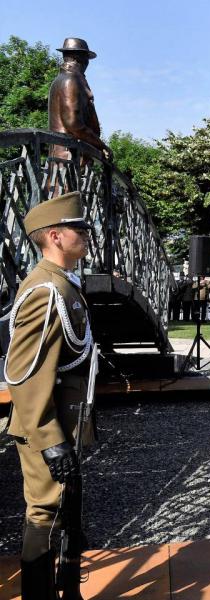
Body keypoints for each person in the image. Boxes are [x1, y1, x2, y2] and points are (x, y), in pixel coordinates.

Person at [5, 193, 96, 600]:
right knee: (44, 511)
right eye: (80, 229)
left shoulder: (62, 284)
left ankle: (68, 590)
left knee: (67, 510)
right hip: (48, 426)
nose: (87, 235)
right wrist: (50, 440)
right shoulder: (46, 290)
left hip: (65, 419)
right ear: (56, 237)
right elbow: (23, 376)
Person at [48, 39, 110, 163]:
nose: (87, 63)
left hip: (67, 162)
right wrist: (101, 145)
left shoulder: (62, 79)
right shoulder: (70, 81)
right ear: (79, 58)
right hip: (67, 163)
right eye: (86, 58)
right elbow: (74, 124)